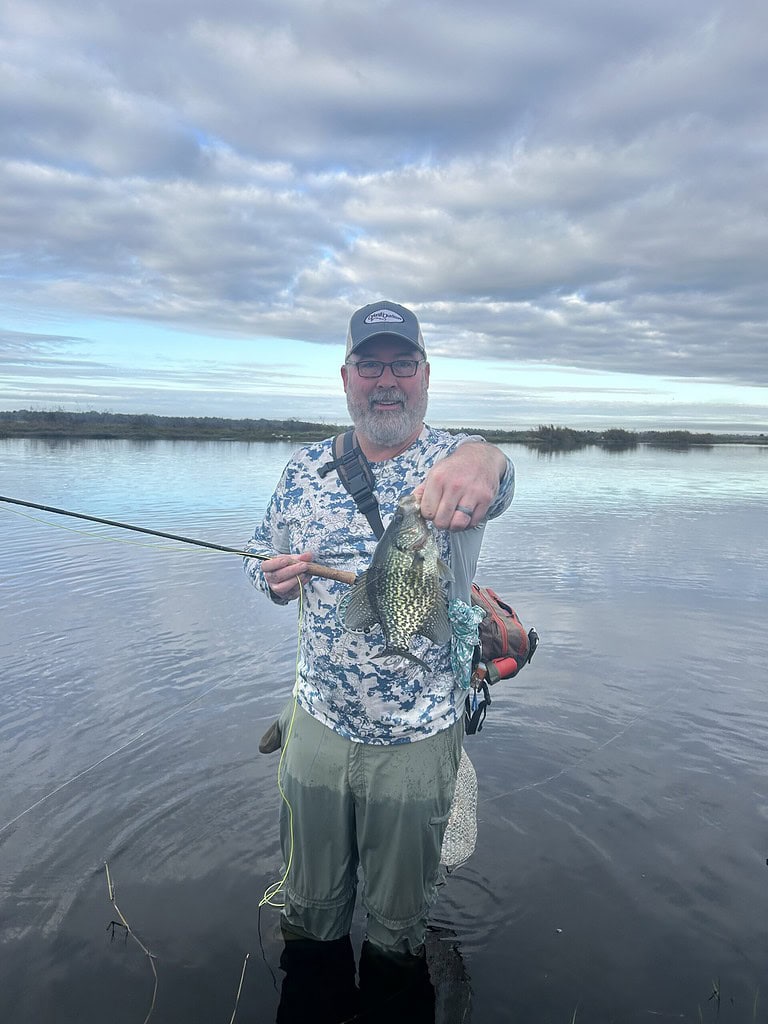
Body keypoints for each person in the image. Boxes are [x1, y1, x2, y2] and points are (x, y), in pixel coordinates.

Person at [244, 300, 514, 1022]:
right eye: (371, 364)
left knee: (397, 933)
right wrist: (268, 578)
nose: (385, 379)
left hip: (418, 738)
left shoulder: (456, 463)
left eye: (402, 363)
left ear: (426, 375)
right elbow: (257, 554)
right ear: (347, 376)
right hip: (318, 727)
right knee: (310, 914)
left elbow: (498, 474)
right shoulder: (302, 471)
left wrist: (484, 458)